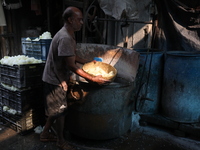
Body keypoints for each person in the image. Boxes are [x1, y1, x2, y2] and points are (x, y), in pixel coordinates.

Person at [40, 6, 110, 150]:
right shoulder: (65, 37)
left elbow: (72, 56)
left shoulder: (69, 34)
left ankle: (44, 133)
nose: (82, 23)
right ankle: (61, 141)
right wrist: (93, 79)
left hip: (56, 76)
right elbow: (72, 65)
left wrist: (89, 62)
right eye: (79, 20)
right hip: (55, 80)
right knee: (60, 111)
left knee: (56, 109)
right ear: (70, 20)